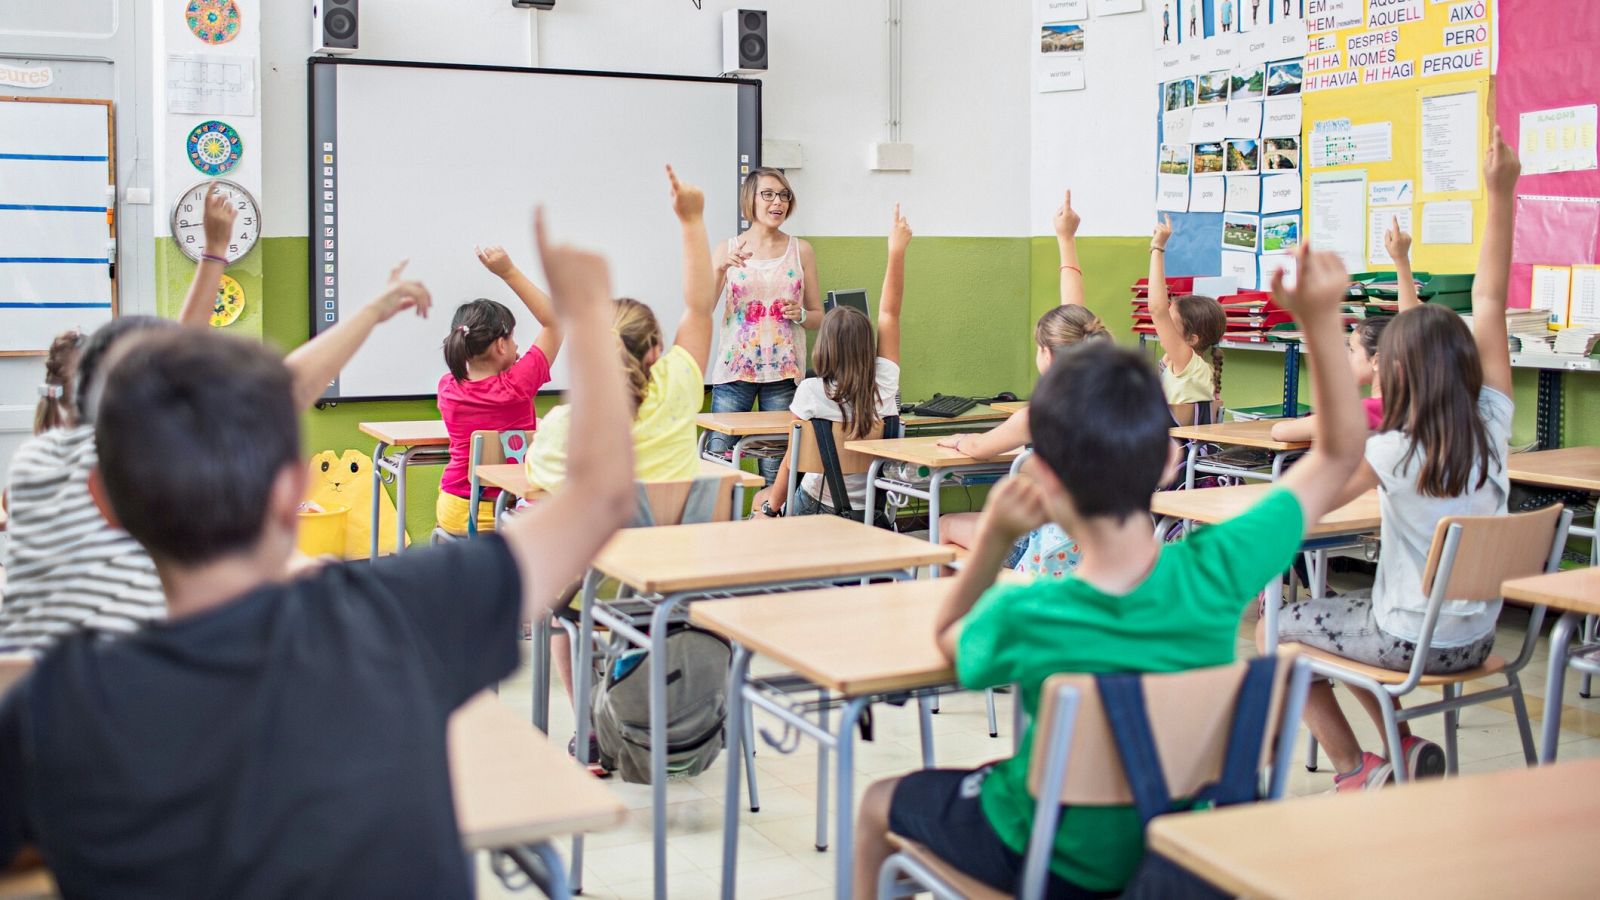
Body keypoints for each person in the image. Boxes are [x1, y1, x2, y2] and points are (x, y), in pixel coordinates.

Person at [0, 210, 636, 897]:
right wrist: (586, 317)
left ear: (106, 503)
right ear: (295, 490)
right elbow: (599, 498)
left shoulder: (47, 711)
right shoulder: (400, 614)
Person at [852, 240, 1367, 897]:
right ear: (1169, 463)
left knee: (879, 802)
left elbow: (949, 637)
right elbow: (1339, 455)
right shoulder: (1217, 570)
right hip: (1178, 855)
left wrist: (993, 540)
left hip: (1054, 864)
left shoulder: (1029, 609)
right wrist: (1318, 320)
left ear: (1043, 479)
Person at [0, 189, 431, 657]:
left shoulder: (35, 465)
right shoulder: (137, 462)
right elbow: (280, 384)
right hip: (129, 677)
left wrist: (215, 254)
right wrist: (370, 313)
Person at [1270, 128, 1523, 791]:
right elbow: (1489, 300)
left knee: (1281, 628)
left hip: (1411, 639)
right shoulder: (1493, 421)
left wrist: (1316, 324)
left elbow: (1306, 502)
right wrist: (1501, 192)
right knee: (1334, 621)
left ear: (1393, 371)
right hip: (1480, 637)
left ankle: (1356, 769)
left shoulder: (1391, 449)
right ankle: (1403, 745)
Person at [934, 191, 1109, 576]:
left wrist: (959, 440)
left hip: (1047, 551)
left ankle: (967, 613)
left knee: (945, 527)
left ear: (1048, 356)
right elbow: (1077, 320)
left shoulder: (1040, 415)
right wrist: (1066, 239)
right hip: (1105, 549)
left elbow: (980, 448)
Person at [747, 204, 909, 518]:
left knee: (760, 500)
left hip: (817, 505)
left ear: (825, 347)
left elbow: (790, 461)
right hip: (870, 511)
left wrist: (770, 508)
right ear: (867, 344)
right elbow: (890, 313)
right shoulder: (886, 381)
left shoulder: (810, 391)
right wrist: (896, 251)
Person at [704, 167, 823, 480]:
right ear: (750, 200)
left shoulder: (801, 250)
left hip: (783, 374)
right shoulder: (728, 249)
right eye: (768, 194)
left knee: (777, 470)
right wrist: (719, 269)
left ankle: (771, 511)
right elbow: (702, 309)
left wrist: (800, 314)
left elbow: (818, 316)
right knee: (717, 464)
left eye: (784, 195)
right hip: (734, 373)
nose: (778, 202)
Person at [434, 245, 561, 536]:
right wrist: (508, 272)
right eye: (512, 338)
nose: (517, 345)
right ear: (501, 345)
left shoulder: (447, 387)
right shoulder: (518, 384)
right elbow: (555, 322)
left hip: (456, 509)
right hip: (509, 512)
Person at [1270, 221, 1415, 442]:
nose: (1347, 357)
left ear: (1377, 360)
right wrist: (1401, 260)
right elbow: (1411, 329)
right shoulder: (1414, 403)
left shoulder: (1369, 410)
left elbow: (1280, 432)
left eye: (1352, 350)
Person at [1147, 215, 1227, 426]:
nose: (1164, 328)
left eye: (1171, 323)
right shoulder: (1181, 364)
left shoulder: (1190, 364)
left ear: (1192, 339)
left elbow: (1157, 310)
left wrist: (1157, 248)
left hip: (1175, 446)